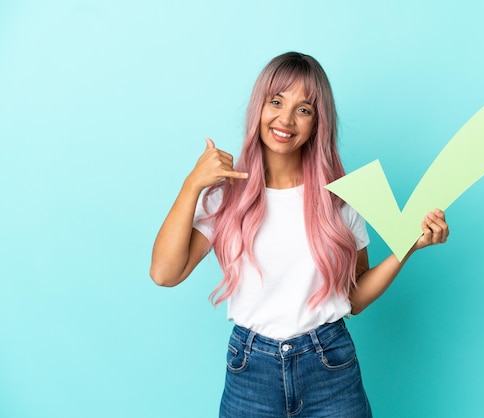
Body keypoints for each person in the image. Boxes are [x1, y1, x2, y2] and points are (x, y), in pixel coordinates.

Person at [150, 51, 449, 417]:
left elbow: (352, 298)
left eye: (304, 109)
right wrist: (192, 184)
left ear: (316, 123)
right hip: (251, 372)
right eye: (276, 101)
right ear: (259, 107)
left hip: (330, 369)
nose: (286, 119)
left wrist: (409, 247)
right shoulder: (225, 195)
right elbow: (165, 273)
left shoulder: (341, 197)